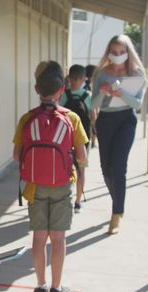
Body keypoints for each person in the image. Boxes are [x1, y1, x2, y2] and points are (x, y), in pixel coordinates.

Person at [13, 61, 88, 292]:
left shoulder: (26, 119)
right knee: (58, 239)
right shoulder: (72, 119)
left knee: (38, 238)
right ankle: (56, 290)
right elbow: (82, 157)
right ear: (61, 90)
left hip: (34, 187)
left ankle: (40, 287)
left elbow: (17, 156)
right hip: (62, 186)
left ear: (37, 89)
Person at [91, 34, 146, 235]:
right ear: (108, 52)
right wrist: (103, 92)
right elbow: (93, 105)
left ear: (128, 52)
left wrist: (122, 93)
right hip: (105, 120)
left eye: (121, 52)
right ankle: (118, 200)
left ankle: (117, 214)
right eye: (114, 52)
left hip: (126, 121)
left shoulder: (137, 73)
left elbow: (138, 104)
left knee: (119, 167)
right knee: (106, 169)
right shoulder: (101, 74)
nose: (118, 55)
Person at [59, 64, 94, 213]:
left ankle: (62, 199)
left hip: (65, 138)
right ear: (82, 79)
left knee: (64, 169)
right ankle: (78, 202)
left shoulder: (64, 95)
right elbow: (93, 117)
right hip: (83, 138)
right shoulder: (87, 96)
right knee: (81, 171)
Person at [85, 64, 98, 148]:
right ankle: (93, 142)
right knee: (93, 126)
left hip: (85, 110)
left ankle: (92, 142)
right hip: (91, 109)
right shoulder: (92, 84)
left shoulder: (83, 83)